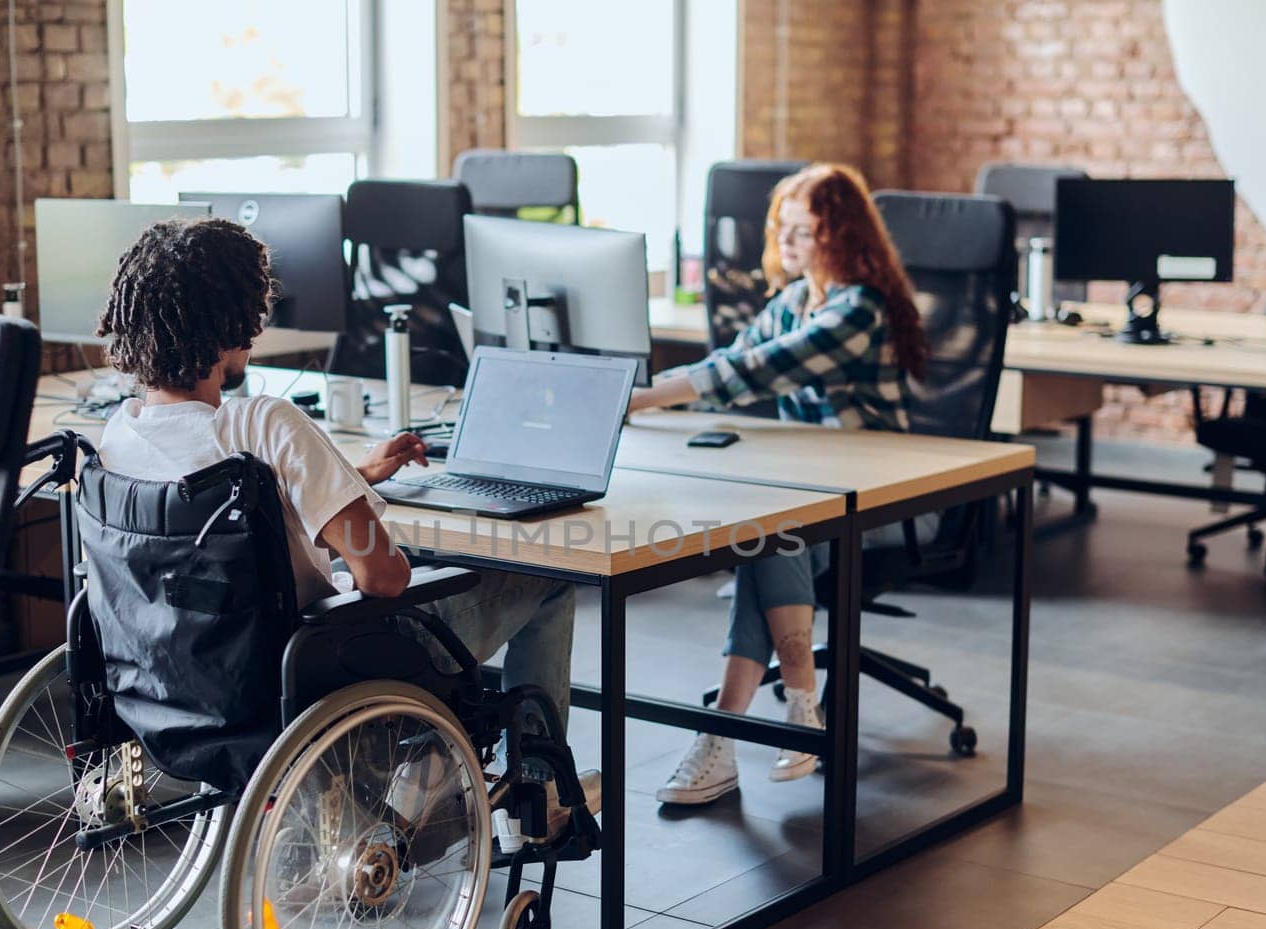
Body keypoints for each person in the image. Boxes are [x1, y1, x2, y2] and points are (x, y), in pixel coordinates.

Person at [93, 216, 595, 829]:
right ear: (231, 322)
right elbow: (382, 577)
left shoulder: (121, 431)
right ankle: (536, 800)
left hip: (184, 668)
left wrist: (345, 477)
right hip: (316, 658)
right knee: (548, 579)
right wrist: (340, 495)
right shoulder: (268, 425)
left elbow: (224, 495)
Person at [628, 163, 934, 806]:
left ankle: (737, 729)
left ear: (841, 236)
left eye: (803, 230)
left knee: (773, 533)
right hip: (817, 493)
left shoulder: (860, 310)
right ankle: (784, 714)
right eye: (782, 229)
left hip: (890, 498)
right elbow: (728, 358)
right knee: (770, 536)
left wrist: (649, 397)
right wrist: (642, 392)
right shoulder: (793, 301)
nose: (787, 242)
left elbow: (762, 369)